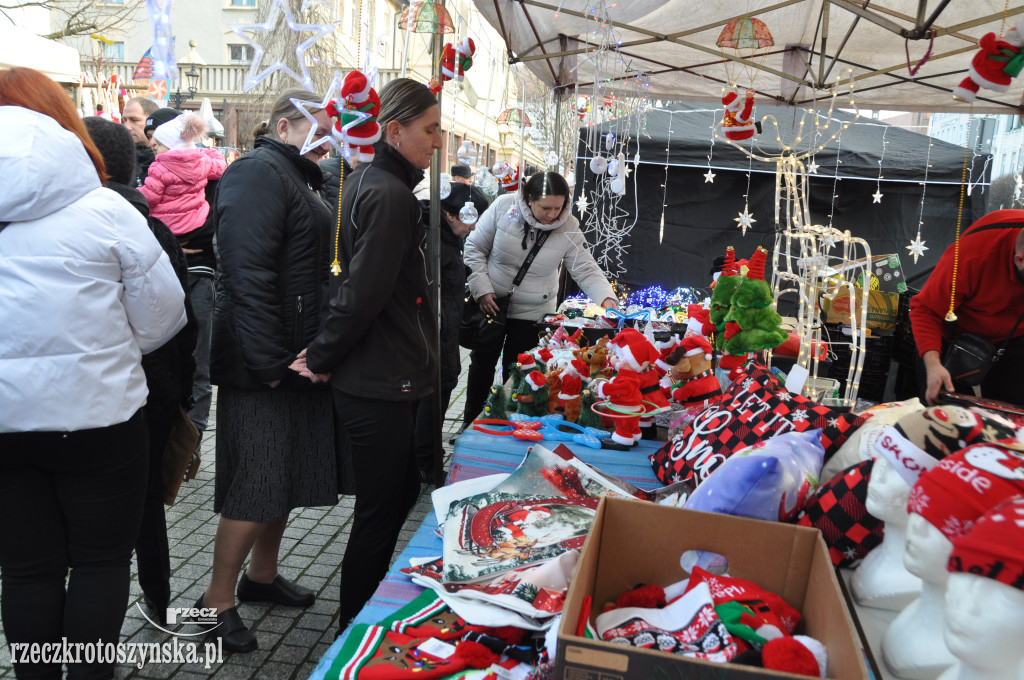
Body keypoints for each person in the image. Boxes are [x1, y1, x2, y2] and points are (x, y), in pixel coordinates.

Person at [0, 67, 187, 679]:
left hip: (6, 424)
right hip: (102, 417)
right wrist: (105, 346)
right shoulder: (104, 209)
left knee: (27, 568)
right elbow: (164, 315)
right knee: (101, 563)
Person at [294, 77, 442, 633]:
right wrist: (323, 354)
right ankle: (355, 627)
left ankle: (366, 608)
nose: (437, 142)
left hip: (383, 373)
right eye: (429, 131)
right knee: (379, 512)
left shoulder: (374, 183)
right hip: (378, 378)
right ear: (394, 130)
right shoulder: (387, 192)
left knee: (399, 490)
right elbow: (363, 291)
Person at [200, 88, 338, 653]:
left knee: (283, 471)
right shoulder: (258, 173)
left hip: (293, 352)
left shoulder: (300, 174)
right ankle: (215, 600)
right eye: (321, 127)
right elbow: (246, 275)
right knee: (257, 479)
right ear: (285, 126)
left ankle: (260, 577)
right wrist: (269, 361)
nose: (331, 138)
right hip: (265, 359)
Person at [83, 115, 198, 625]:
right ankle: (157, 597)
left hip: (84, 397)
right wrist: (181, 395)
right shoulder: (153, 231)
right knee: (147, 505)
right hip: (150, 392)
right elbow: (181, 324)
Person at [460, 171, 618, 428]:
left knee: (523, 371)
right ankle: (470, 423)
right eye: (546, 207)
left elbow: (586, 268)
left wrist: (607, 298)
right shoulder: (503, 207)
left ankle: (510, 422)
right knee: (481, 366)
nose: (552, 214)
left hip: (534, 311)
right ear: (528, 198)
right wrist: (483, 289)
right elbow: (474, 248)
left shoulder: (569, 227)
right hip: (491, 304)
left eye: (558, 207)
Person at [414, 182, 490, 482]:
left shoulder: (446, 239)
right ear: (449, 213)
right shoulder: (433, 242)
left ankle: (427, 461)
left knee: (440, 393)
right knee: (432, 398)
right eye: (470, 219)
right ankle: (425, 464)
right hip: (431, 335)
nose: (473, 228)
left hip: (443, 334)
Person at [909, 209, 1024, 406]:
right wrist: (933, 365)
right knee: (945, 413)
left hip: (1014, 338)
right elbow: (925, 310)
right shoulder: (972, 255)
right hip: (955, 336)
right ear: (1019, 260)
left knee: (1012, 418)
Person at [140, 112, 226, 238]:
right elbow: (220, 167)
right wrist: (206, 152)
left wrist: (136, 193)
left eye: (159, 144)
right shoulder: (203, 162)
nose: (154, 147)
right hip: (195, 222)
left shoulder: (159, 168)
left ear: (172, 146)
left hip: (166, 226)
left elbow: (150, 198)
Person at [121, 96, 158, 186]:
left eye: (134, 120)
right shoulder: (118, 159)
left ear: (150, 121)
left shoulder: (168, 162)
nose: (127, 126)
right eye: (125, 120)